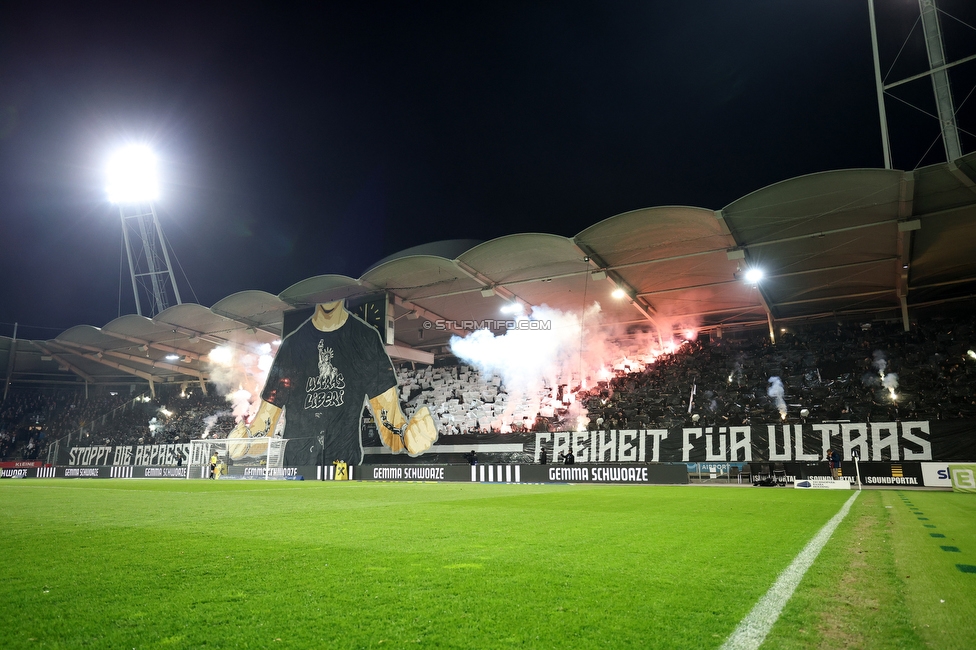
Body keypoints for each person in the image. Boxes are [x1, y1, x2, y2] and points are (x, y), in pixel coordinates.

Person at [227, 300, 437, 466]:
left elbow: (390, 424)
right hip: (297, 470)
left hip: (344, 469)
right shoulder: (293, 345)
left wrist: (407, 436)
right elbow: (266, 423)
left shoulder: (365, 339)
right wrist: (246, 442)